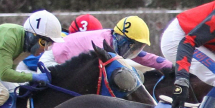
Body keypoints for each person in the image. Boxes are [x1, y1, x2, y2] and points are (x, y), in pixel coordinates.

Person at [41, 16, 171, 72]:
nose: (134, 51)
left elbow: (148, 58)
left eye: (138, 47)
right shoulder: (99, 44)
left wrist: (175, 68)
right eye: (133, 46)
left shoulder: (113, 41)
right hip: (51, 61)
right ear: (122, 39)